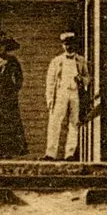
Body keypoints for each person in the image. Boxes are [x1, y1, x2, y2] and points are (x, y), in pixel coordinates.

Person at [43, 31, 87, 161]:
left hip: (75, 93)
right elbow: (50, 81)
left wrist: (82, 80)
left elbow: (87, 77)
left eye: (71, 44)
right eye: (66, 44)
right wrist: (50, 98)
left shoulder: (81, 60)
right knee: (55, 122)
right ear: (63, 46)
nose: (69, 47)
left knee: (74, 123)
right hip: (60, 93)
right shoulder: (56, 61)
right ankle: (51, 153)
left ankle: (70, 153)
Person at [0, 35, 27, 159]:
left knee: (7, 121)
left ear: (6, 47)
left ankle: (7, 151)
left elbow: (19, 78)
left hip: (7, 92)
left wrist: (13, 90)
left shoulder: (11, 60)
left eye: (1, 45)